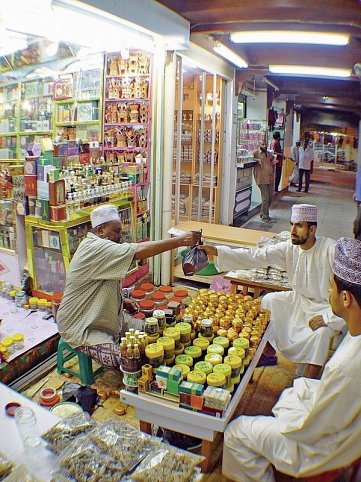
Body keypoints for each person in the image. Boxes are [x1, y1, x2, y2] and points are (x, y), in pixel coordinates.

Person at [221, 237, 361, 482]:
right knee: (271, 303)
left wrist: (285, 407)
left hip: (322, 451)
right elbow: (256, 256)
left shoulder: (344, 367)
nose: (329, 292)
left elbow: (309, 430)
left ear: (346, 298)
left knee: (236, 432)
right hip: (339, 427)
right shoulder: (354, 338)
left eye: (332, 288)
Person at [198, 204, 345, 379]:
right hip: (299, 301)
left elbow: (349, 292)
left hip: (325, 308)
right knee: (269, 301)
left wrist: (328, 317)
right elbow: (256, 256)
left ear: (312, 229)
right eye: (291, 224)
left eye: (299, 226)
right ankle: (268, 353)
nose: (292, 230)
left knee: (320, 334)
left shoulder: (330, 249)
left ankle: (309, 382)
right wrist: (217, 251)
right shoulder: (290, 248)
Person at [56, 204, 201, 369]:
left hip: (108, 316)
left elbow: (101, 283)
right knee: (132, 361)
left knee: (156, 331)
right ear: (101, 230)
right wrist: (180, 241)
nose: (120, 236)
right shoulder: (94, 247)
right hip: (82, 325)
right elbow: (138, 251)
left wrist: (122, 301)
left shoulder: (102, 247)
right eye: (116, 231)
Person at [253, 143, 275, 223]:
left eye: (265, 145)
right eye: (262, 145)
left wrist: (274, 161)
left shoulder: (269, 154)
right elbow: (250, 159)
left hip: (270, 178)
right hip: (261, 178)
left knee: (270, 198)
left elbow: (273, 160)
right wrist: (258, 160)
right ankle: (265, 216)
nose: (264, 146)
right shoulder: (256, 153)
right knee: (265, 198)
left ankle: (263, 212)